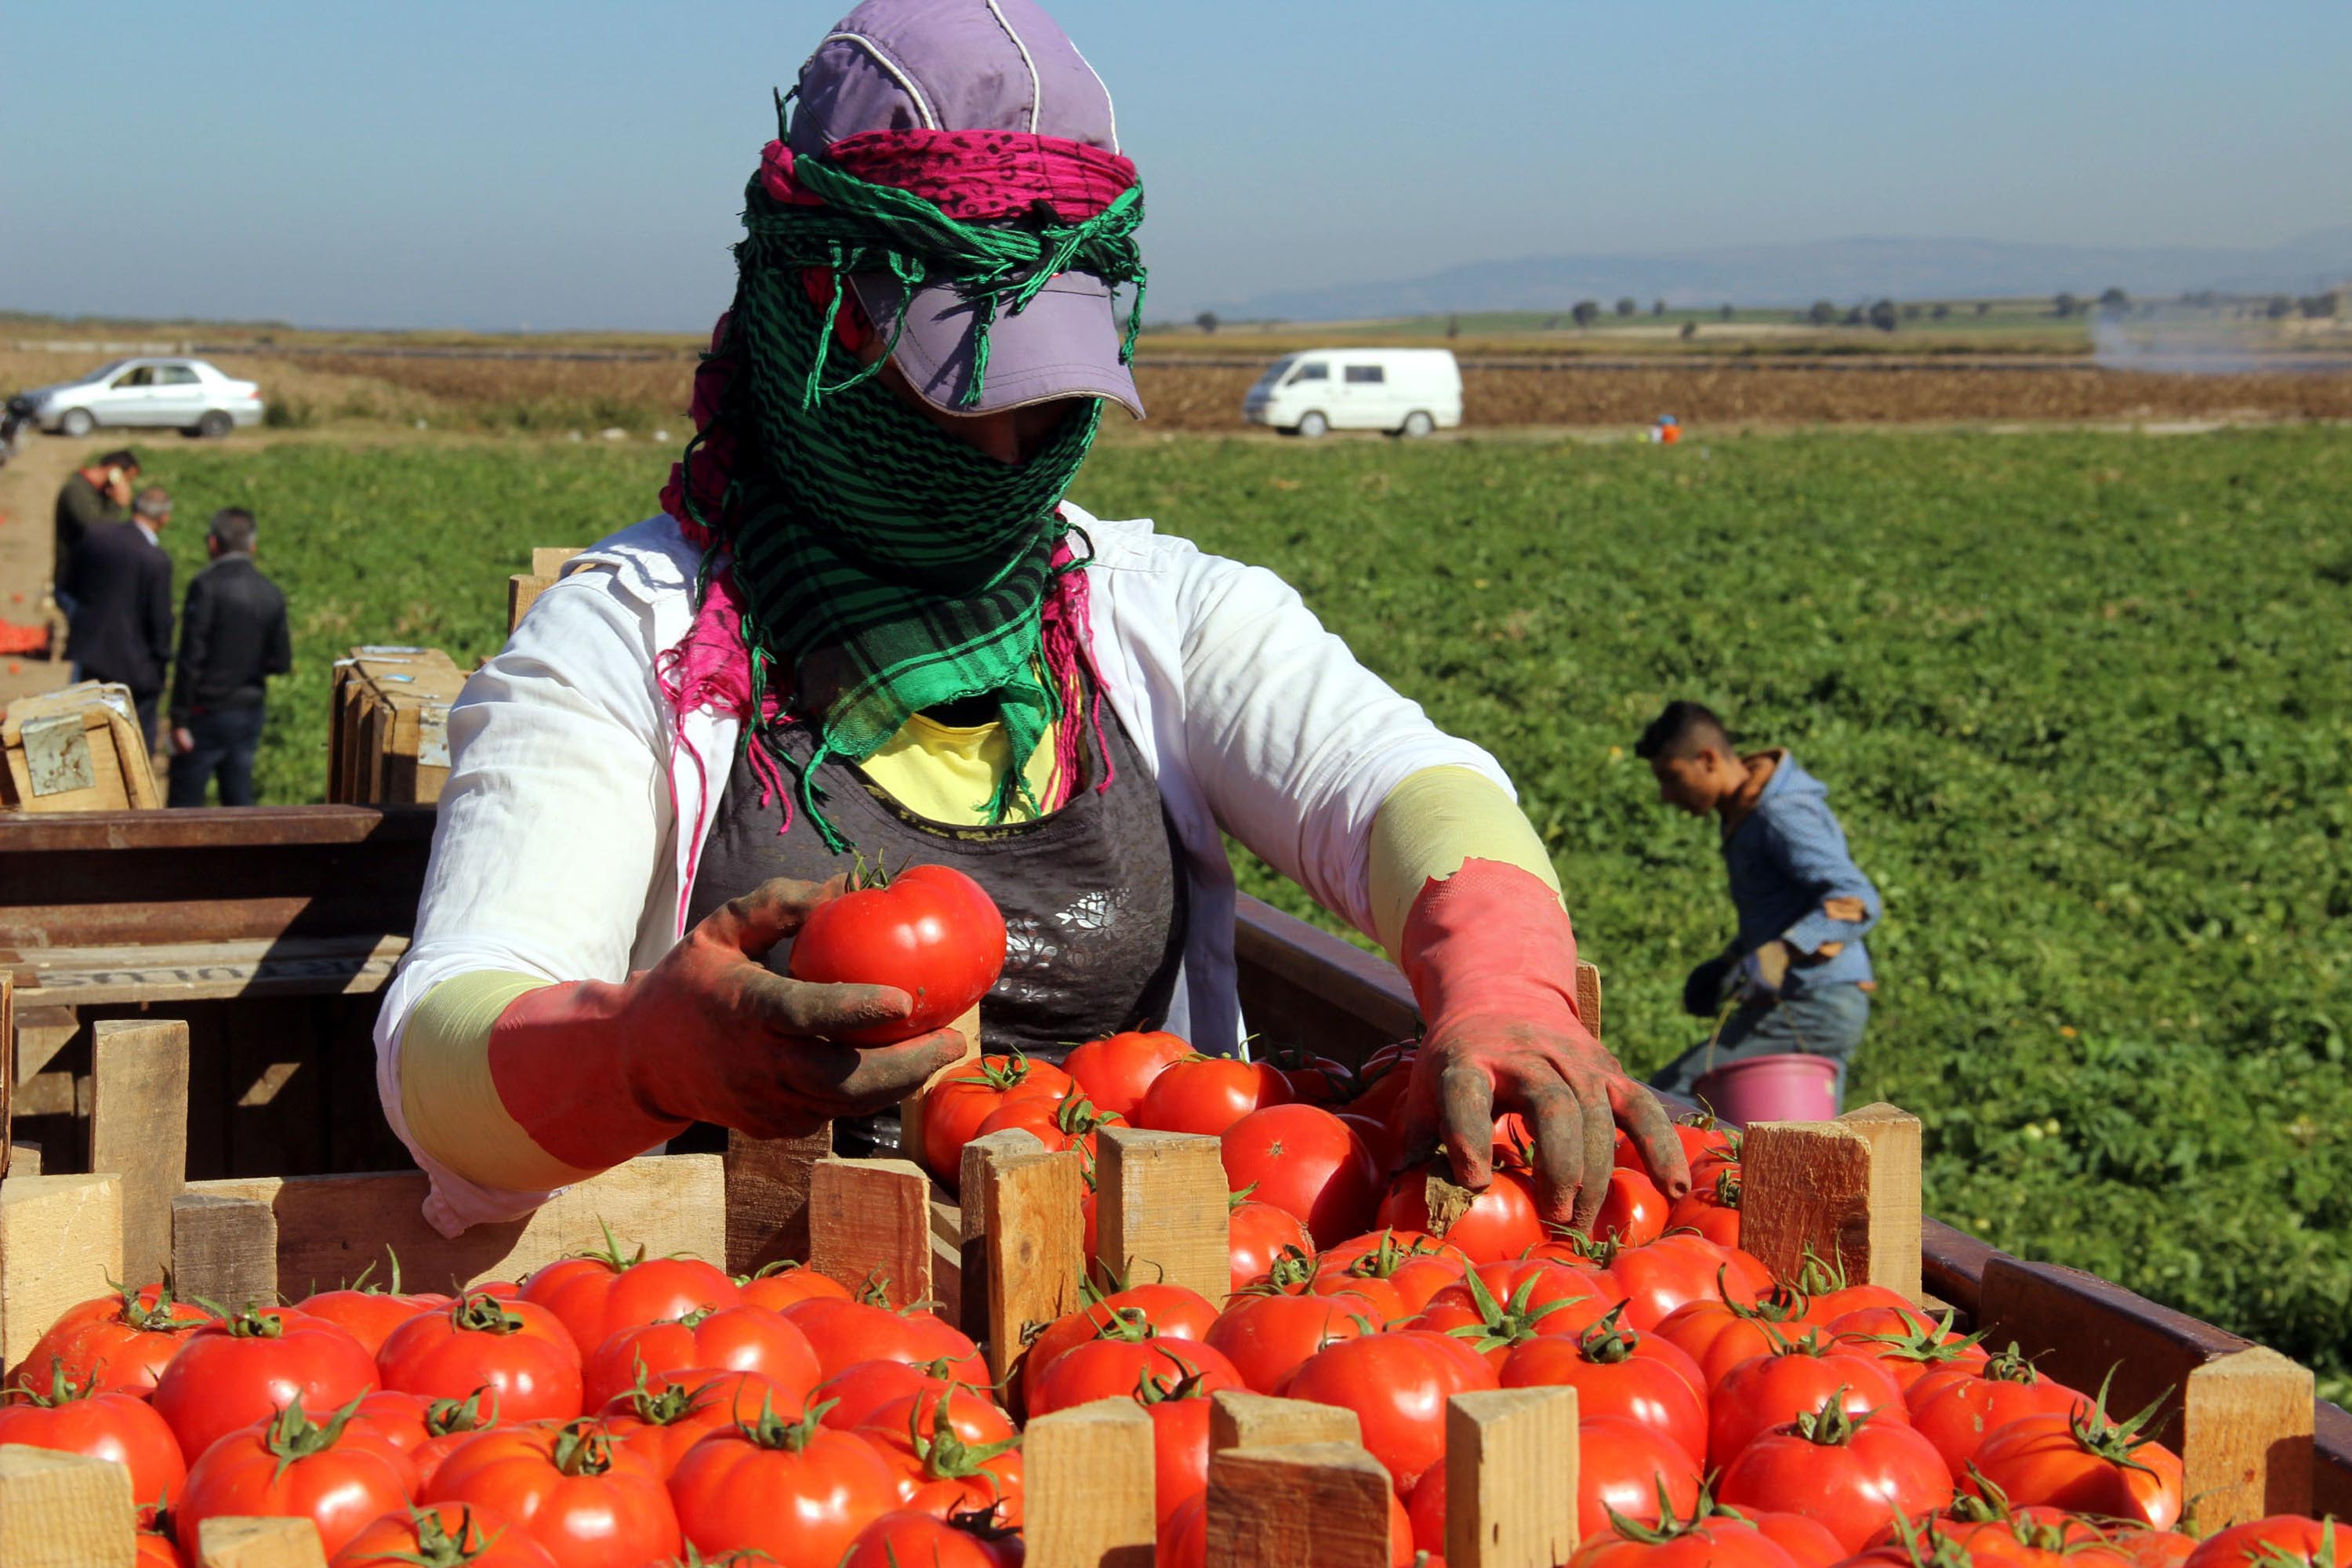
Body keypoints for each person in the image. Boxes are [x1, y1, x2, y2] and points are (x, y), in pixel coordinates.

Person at [375, 0, 1687, 1240]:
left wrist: (1505, 984)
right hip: (777, 1363)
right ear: (809, 318)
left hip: (1151, 1341)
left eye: (1047, 399)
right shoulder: (628, 647)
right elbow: (444, 1048)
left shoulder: (1159, 614)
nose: (1002, 449)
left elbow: (1407, 785)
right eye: (949, 389)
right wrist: (638, 1055)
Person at [1635, 700, 1882, 1106]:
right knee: (1802, 1139)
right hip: (1811, 1003)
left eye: (1671, 777)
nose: (1666, 795)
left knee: (1672, 1098)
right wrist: (1730, 963)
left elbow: (1855, 899)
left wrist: (1785, 950)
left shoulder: (1779, 812)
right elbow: (1782, 910)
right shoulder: (1746, 811)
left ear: (1708, 759)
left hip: (1813, 1003)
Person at [167, 508, 291, 808]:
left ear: (212, 543)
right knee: (238, 796)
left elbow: (191, 656)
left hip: (204, 712)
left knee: (185, 802)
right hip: (248, 711)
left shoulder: (205, 587)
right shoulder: (270, 593)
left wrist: (179, 717)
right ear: (252, 546)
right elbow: (281, 661)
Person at [63, 485, 175, 750]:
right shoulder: (156, 559)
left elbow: (69, 585)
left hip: (92, 654)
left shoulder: (97, 537)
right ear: (164, 519)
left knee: (89, 733)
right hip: (137, 667)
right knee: (134, 742)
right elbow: (160, 621)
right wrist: (162, 660)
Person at [53, 449, 139, 618]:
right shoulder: (77, 491)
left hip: (89, 582)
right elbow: (98, 532)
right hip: (73, 583)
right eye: (126, 480)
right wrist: (118, 505)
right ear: (115, 471)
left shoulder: (98, 493)